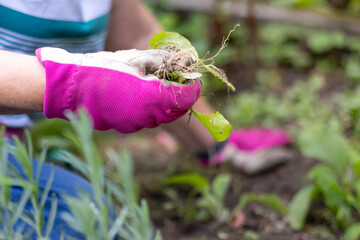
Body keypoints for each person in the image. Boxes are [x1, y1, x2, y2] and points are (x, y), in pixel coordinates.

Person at [0, 0, 292, 238]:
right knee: (86, 223)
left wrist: (216, 144)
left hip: (19, 138)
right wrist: (73, 83)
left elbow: (138, 37)